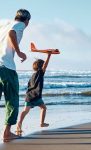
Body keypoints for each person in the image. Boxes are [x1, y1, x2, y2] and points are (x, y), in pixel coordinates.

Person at [0, 9, 31, 142]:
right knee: (12, 100)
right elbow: (12, 33)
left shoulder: (4, 24)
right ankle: (7, 133)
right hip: (6, 67)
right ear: (27, 20)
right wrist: (19, 52)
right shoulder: (20, 24)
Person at [16, 49, 60, 135]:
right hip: (36, 96)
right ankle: (42, 123)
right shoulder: (40, 73)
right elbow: (45, 65)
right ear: (41, 67)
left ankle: (19, 123)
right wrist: (49, 55)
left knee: (25, 111)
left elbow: (28, 86)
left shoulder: (32, 75)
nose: (44, 67)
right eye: (43, 65)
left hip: (29, 96)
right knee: (43, 108)